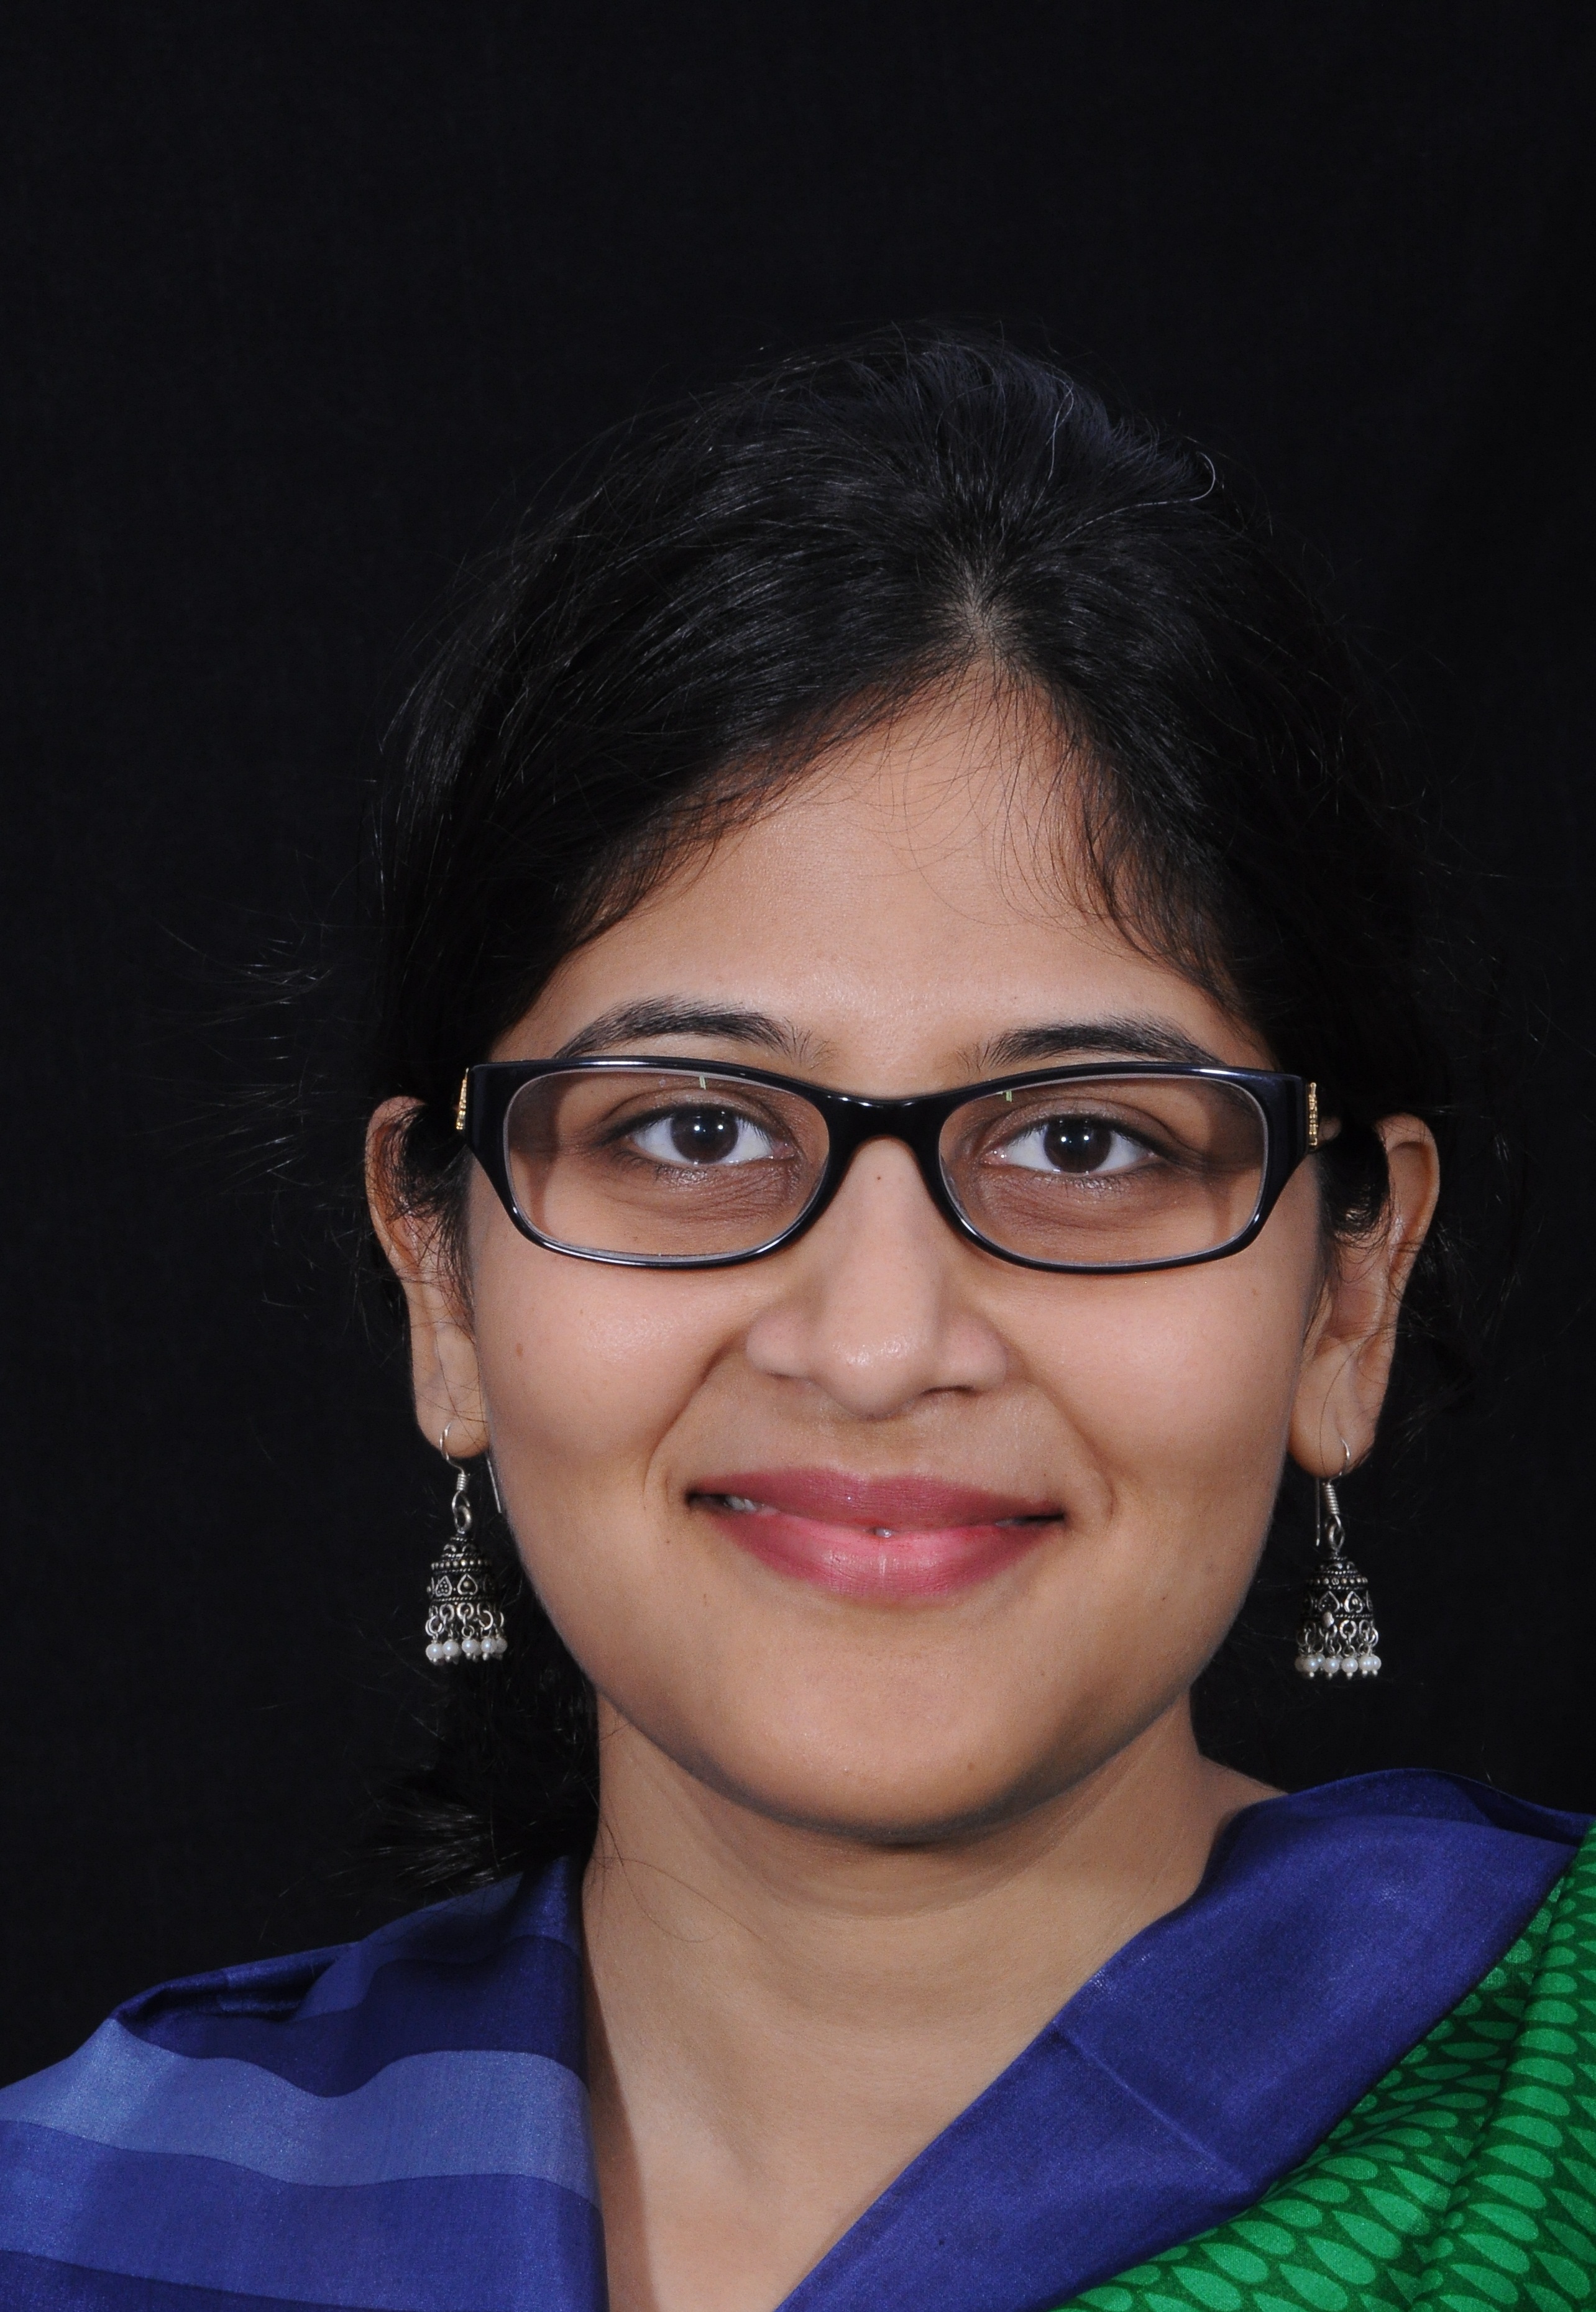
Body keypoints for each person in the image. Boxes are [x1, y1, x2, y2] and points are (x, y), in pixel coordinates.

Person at [2, 333, 1591, 2312]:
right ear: (443, 1278)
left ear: (1352, 1291)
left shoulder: (1553, 2136)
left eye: (1085, 1142)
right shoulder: (77, 2234)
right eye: (694, 1130)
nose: (877, 1343)